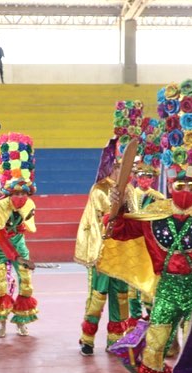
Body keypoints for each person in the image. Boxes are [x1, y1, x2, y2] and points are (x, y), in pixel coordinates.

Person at [102, 78, 192, 373]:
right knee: (156, 338)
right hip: (167, 288)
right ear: (170, 181)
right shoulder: (153, 212)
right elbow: (124, 231)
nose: (185, 187)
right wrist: (118, 213)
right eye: (179, 181)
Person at [74, 136, 131, 355]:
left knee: (121, 298)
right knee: (98, 297)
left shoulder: (130, 190)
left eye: (124, 167)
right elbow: (100, 222)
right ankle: (87, 338)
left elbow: (134, 218)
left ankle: (115, 341)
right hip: (102, 254)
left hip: (121, 255)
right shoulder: (99, 190)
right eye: (117, 166)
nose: (121, 170)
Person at [0, 132, 38, 337]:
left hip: (18, 242)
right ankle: (2, 322)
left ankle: (21, 321)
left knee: (25, 280)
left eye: (23, 193)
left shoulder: (30, 205)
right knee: (2, 283)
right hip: (0, 246)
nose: (20, 197)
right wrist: (17, 257)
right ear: (9, 194)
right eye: (16, 193)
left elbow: (25, 228)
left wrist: (23, 258)